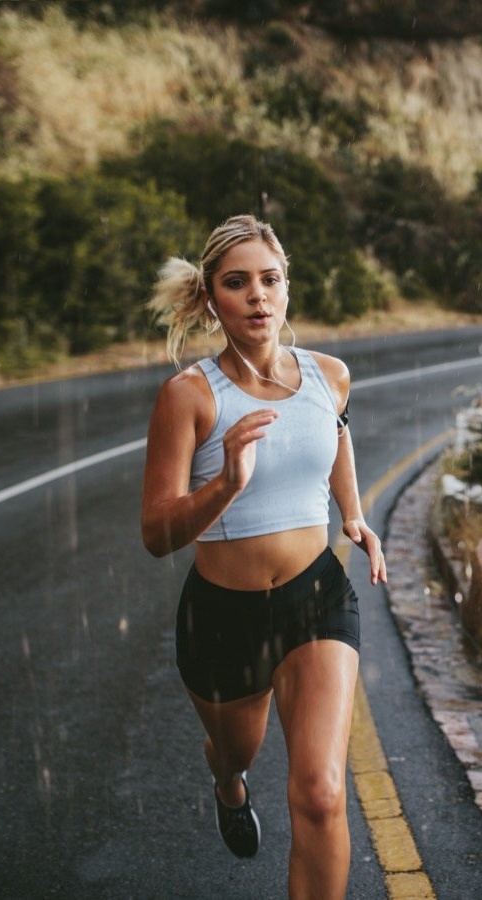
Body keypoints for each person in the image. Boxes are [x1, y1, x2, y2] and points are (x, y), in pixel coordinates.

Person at [140, 214, 386, 899]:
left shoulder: (329, 376)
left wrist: (356, 513)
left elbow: (334, 436)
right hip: (222, 617)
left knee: (321, 792)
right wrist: (225, 484)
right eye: (237, 282)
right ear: (211, 299)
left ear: (287, 289)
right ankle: (227, 783)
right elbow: (156, 533)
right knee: (234, 749)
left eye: (269, 280)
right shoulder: (189, 396)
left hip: (317, 599)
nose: (257, 296)